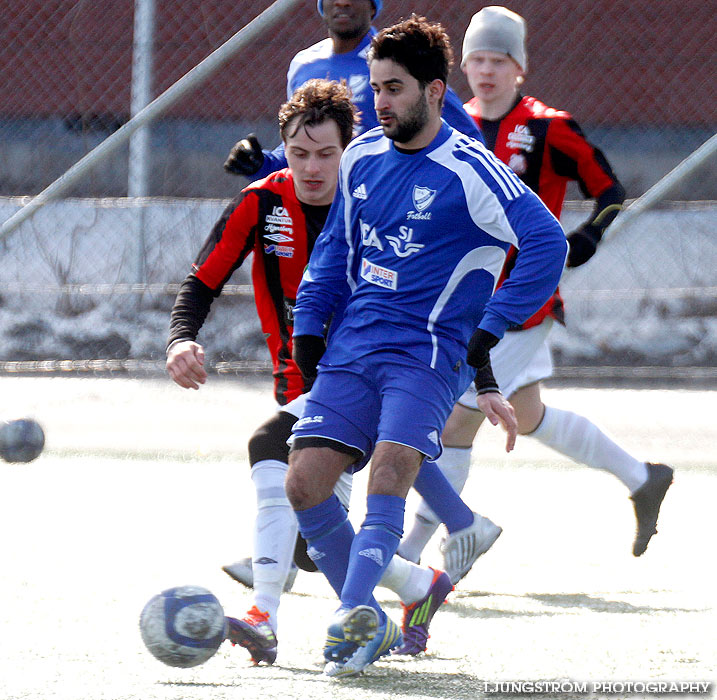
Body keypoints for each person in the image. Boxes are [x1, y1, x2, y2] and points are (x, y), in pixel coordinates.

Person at [284, 15, 567, 677]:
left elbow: (546, 243)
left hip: (428, 353)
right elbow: (333, 253)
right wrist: (307, 328)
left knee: (387, 472)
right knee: (303, 485)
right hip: (353, 347)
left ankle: (353, 619)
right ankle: (377, 609)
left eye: (394, 88)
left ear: (435, 91)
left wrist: (490, 326)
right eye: (375, 88)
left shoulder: (470, 169)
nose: (379, 102)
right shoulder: (359, 158)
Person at [166, 79, 454, 665]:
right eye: (299, 153)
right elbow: (203, 280)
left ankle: (264, 618)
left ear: (352, 149)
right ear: (284, 151)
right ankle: (421, 587)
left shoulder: (383, 200)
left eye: (327, 154)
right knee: (310, 537)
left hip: (369, 385)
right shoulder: (261, 202)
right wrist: (181, 339)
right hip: (300, 388)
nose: (313, 167)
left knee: (269, 449)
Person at [222, 0, 502, 595]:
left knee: (358, 438)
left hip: (395, 284)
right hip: (351, 268)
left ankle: (289, 586)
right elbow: (318, 145)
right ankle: (438, 541)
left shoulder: (405, 72)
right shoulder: (305, 66)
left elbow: (455, 151)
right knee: (354, 436)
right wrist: (268, 161)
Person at [397, 6, 674, 579]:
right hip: (466, 295)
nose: (487, 70)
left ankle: (416, 550)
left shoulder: (549, 126)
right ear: (459, 68)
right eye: (476, 59)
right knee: (528, 412)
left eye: (499, 59)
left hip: (522, 302)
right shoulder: (449, 123)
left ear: (519, 68)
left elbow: (611, 189)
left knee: (455, 423)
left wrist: (588, 236)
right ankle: (644, 478)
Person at [222, 0, 483, 181]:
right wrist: (260, 164)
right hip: (322, 213)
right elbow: (304, 145)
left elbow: (468, 139)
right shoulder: (303, 64)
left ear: (372, 6)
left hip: (387, 206)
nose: (343, 3)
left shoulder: (396, 60)